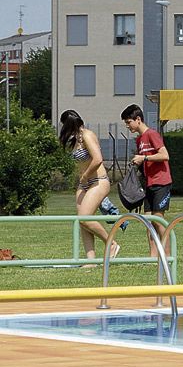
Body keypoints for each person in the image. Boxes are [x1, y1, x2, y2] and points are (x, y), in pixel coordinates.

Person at [59, 110, 118, 264]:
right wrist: (82, 179)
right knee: (82, 221)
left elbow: (98, 159)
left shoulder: (87, 135)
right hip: (83, 184)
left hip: (98, 181)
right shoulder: (75, 139)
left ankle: (111, 243)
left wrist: (85, 175)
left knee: (84, 218)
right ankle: (90, 260)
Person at [122, 104, 172, 256]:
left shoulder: (152, 134)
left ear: (138, 119)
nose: (128, 126)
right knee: (148, 222)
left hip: (161, 183)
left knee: (158, 220)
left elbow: (165, 155)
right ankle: (153, 257)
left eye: (129, 122)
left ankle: (168, 256)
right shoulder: (139, 140)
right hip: (148, 183)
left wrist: (144, 157)